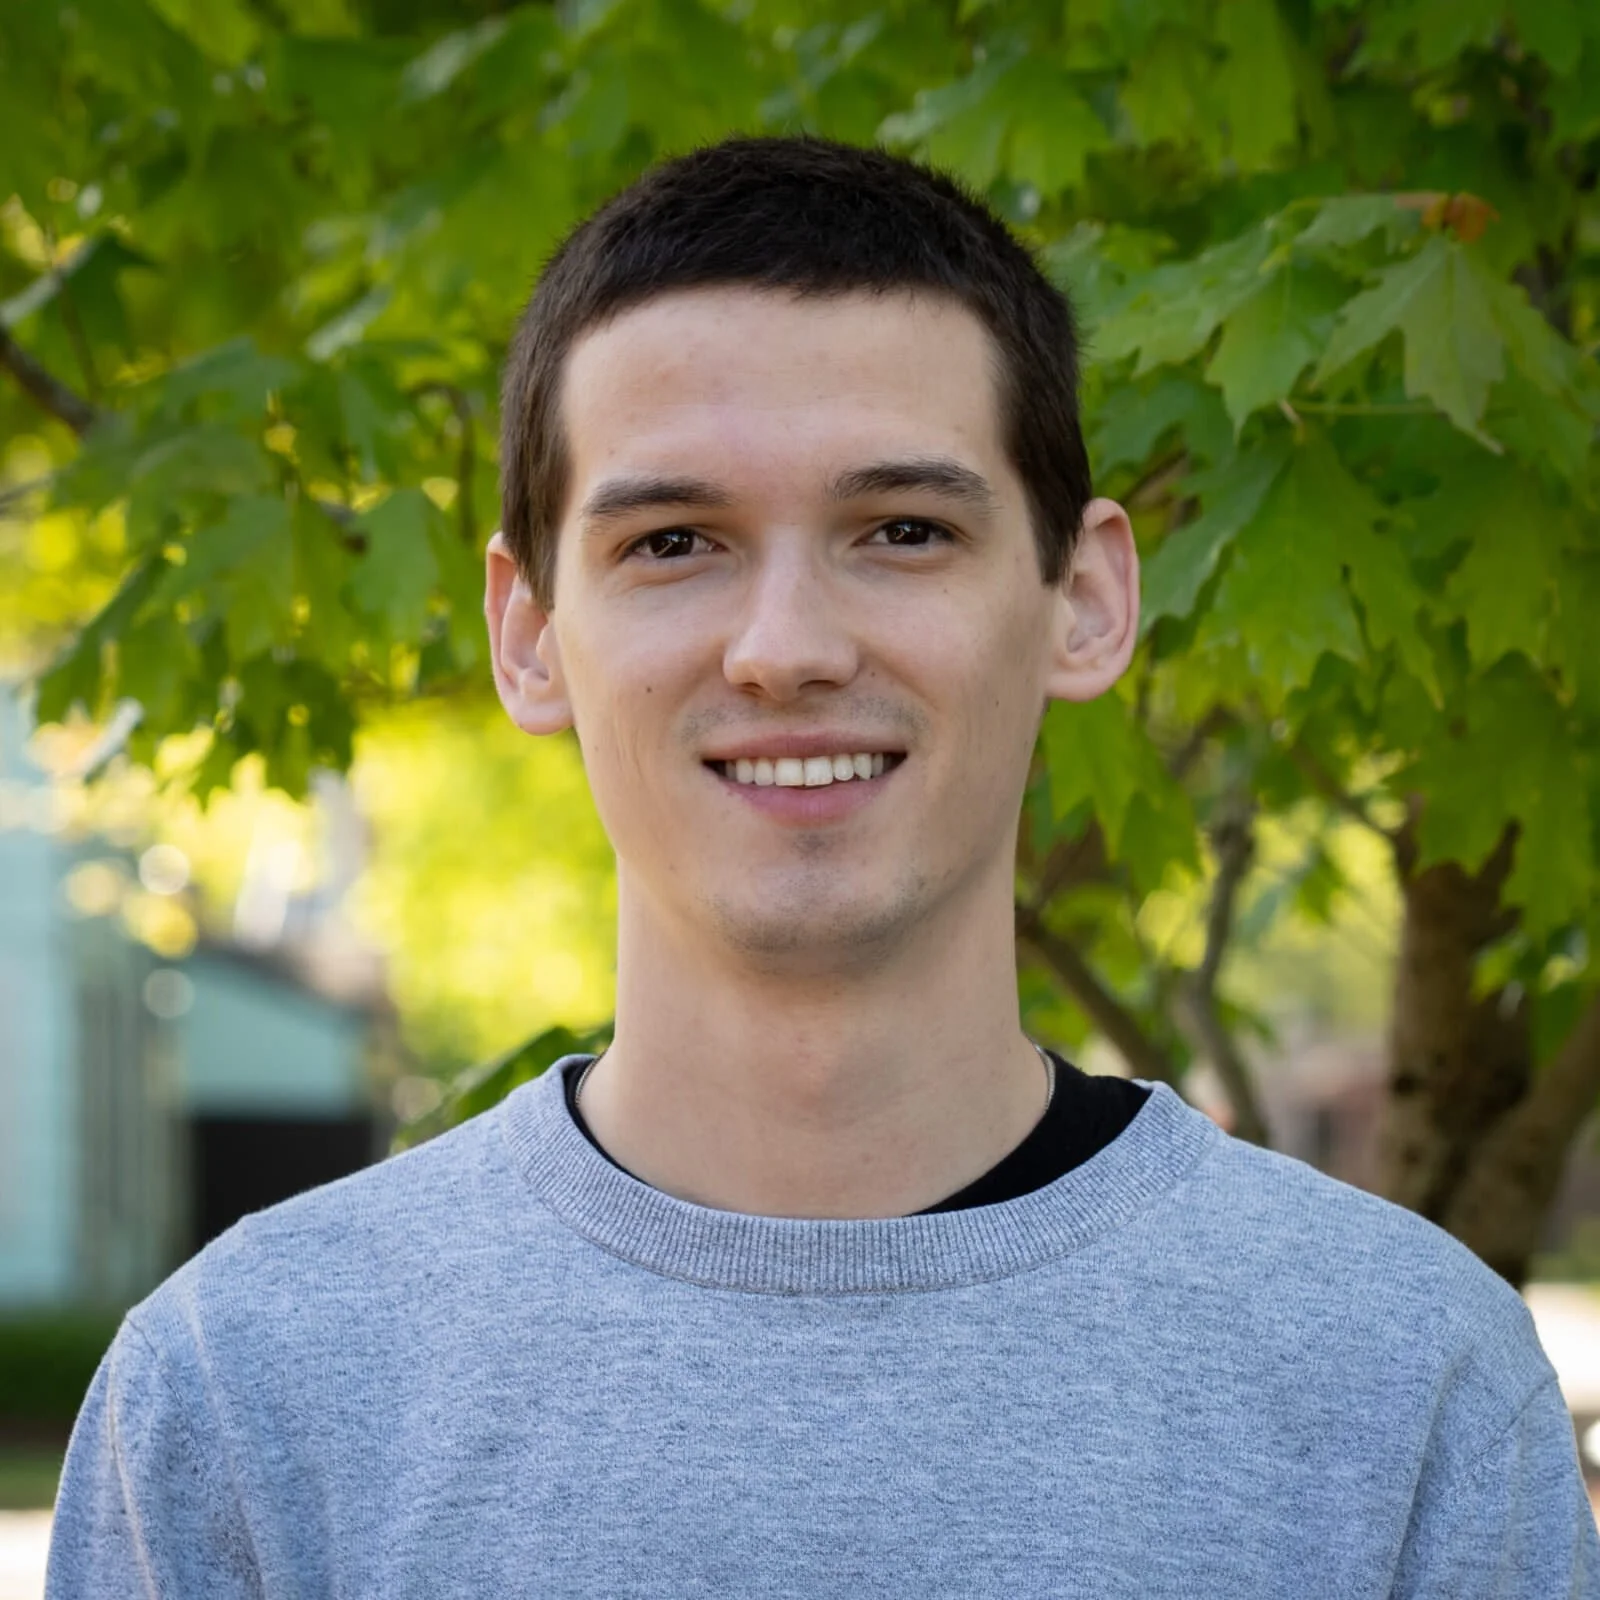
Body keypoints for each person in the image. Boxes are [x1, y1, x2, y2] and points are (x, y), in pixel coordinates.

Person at [46, 135, 1598, 1598]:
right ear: (528, 635)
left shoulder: (1405, 1388)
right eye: (674, 543)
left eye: (904, 530)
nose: (786, 648)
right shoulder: (248, 1398)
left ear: (1085, 601)